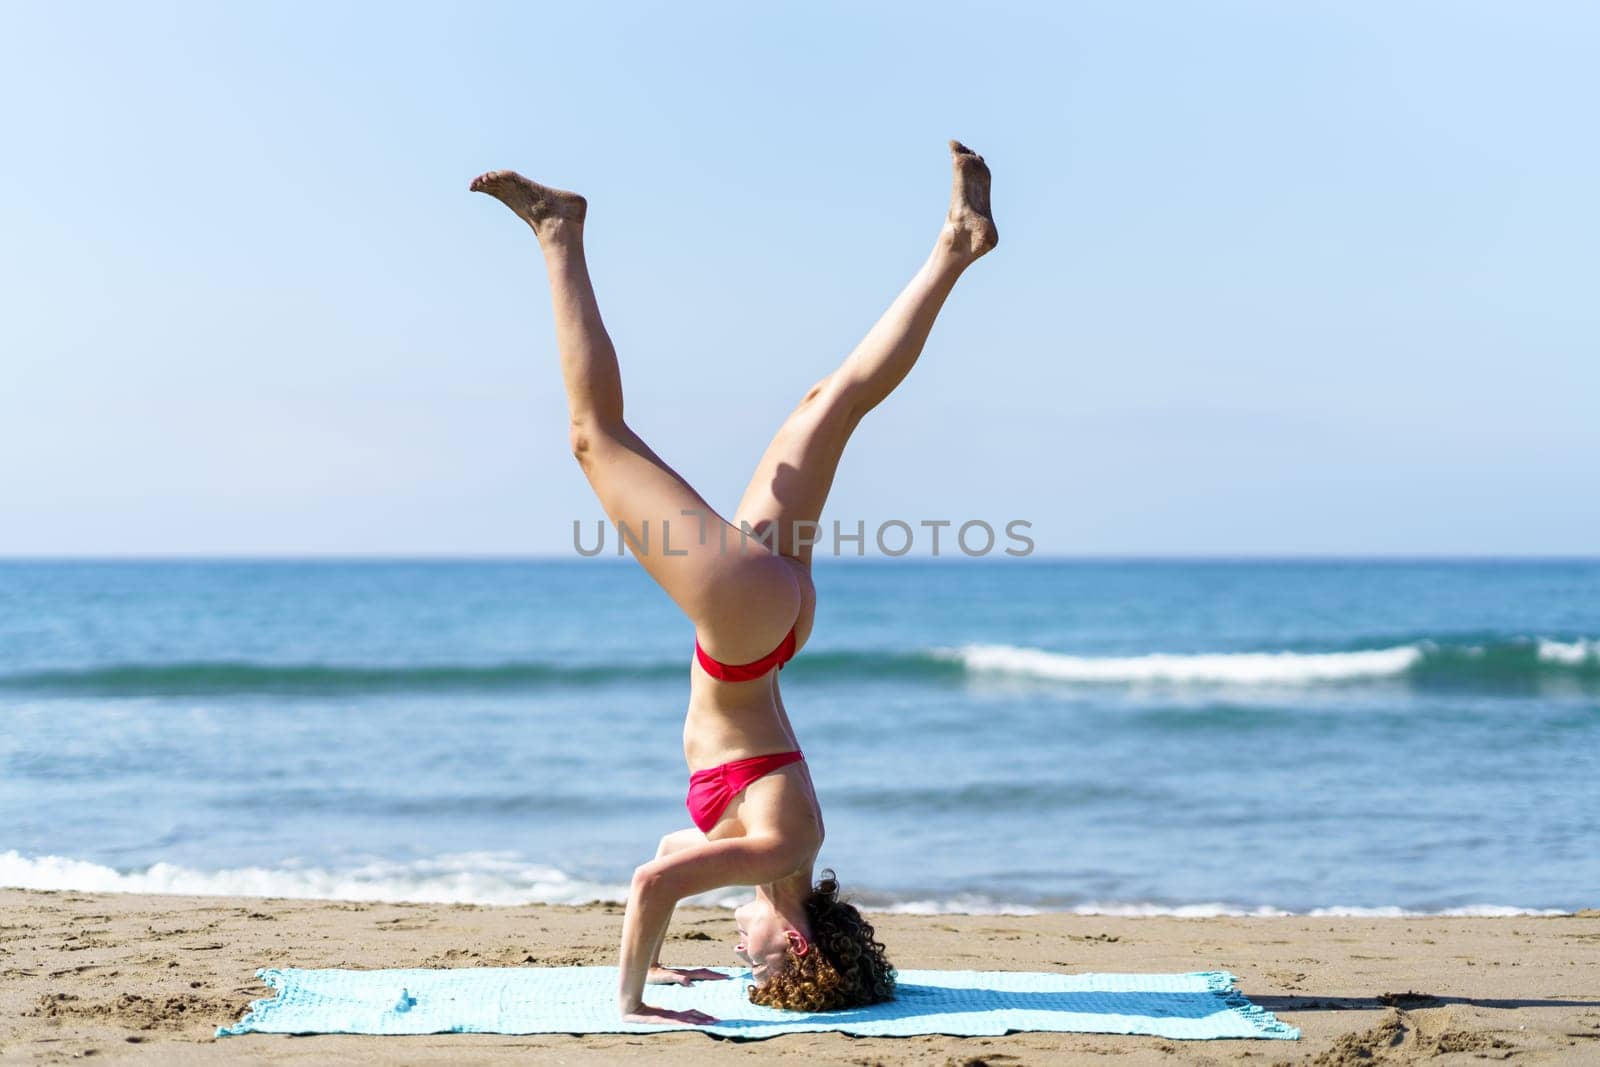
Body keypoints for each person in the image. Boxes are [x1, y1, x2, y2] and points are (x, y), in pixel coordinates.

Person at [470, 141, 997, 1025]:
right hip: (745, 622)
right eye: (757, 965)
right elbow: (654, 881)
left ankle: (956, 246)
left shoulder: (776, 853)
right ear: (797, 944)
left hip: (776, 624)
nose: (739, 956)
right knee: (595, 434)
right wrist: (633, 999)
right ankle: (559, 230)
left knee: (828, 402)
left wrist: (663, 954)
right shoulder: (775, 850)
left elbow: (672, 859)